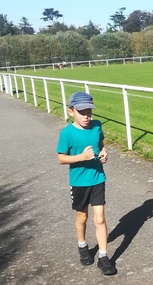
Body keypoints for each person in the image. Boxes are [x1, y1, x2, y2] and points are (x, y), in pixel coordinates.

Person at [56, 91, 116, 275]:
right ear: (71, 111)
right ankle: (82, 245)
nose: (86, 116)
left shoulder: (97, 126)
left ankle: (104, 257)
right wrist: (81, 157)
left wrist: (104, 153)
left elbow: (100, 144)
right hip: (79, 182)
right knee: (83, 217)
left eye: (89, 111)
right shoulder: (67, 133)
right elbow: (61, 158)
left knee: (100, 219)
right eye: (81, 112)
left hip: (98, 178)